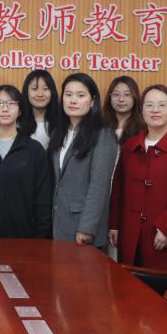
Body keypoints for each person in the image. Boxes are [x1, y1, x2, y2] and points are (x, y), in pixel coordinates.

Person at [110, 84, 167, 270]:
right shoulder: (130, 146)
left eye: (162, 105)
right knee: (127, 283)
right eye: (149, 105)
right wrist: (114, 225)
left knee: (156, 285)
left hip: (162, 237)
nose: (155, 110)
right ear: (141, 110)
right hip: (129, 232)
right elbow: (118, 189)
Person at [50, 73, 119, 249]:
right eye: (68, 94)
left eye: (80, 95)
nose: (73, 100)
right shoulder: (58, 133)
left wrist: (87, 228)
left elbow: (99, 186)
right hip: (58, 222)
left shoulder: (103, 134)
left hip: (83, 227)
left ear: (92, 101)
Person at [0, 85, 51, 238]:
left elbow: (43, 198)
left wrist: (41, 236)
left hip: (25, 235)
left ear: (20, 110)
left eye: (11, 103)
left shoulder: (34, 149)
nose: (5, 108)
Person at [19, 69, 59, 150]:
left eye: (45, 89)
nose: (40, 94)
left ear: (52, 92)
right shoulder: (16, 122)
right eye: (34, 89)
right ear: (26, 91)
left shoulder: (62, 122)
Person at [102, 76, 144, 142]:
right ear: (110, 98)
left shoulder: (144, 128)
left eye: (127, 94)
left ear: (135, 97)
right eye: (116, 94)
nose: (121, 99)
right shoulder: (101, 126)